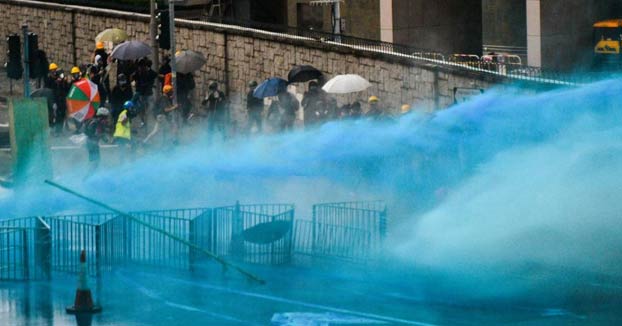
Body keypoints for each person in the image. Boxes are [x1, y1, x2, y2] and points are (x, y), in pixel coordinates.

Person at [131, 59, 157, 128]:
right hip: (144, 93)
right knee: (141, 107)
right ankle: (144, 119)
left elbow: (154, 76)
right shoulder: (140, 72)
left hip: (144, 93)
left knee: (142, 107)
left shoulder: (145, 73)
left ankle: (144, 120)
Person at [84, 107, 111, 172]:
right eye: (105, 117)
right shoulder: (94, 123)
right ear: (101, 117)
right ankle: (87, 178)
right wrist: (99, 135)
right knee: (95, 162)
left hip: (94, 144)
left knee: (96, 162)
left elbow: (101, 133)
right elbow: (90, 133)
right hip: (91, 144)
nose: (107, 119)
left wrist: (106, 140)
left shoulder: (100, 124)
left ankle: (89, 174)